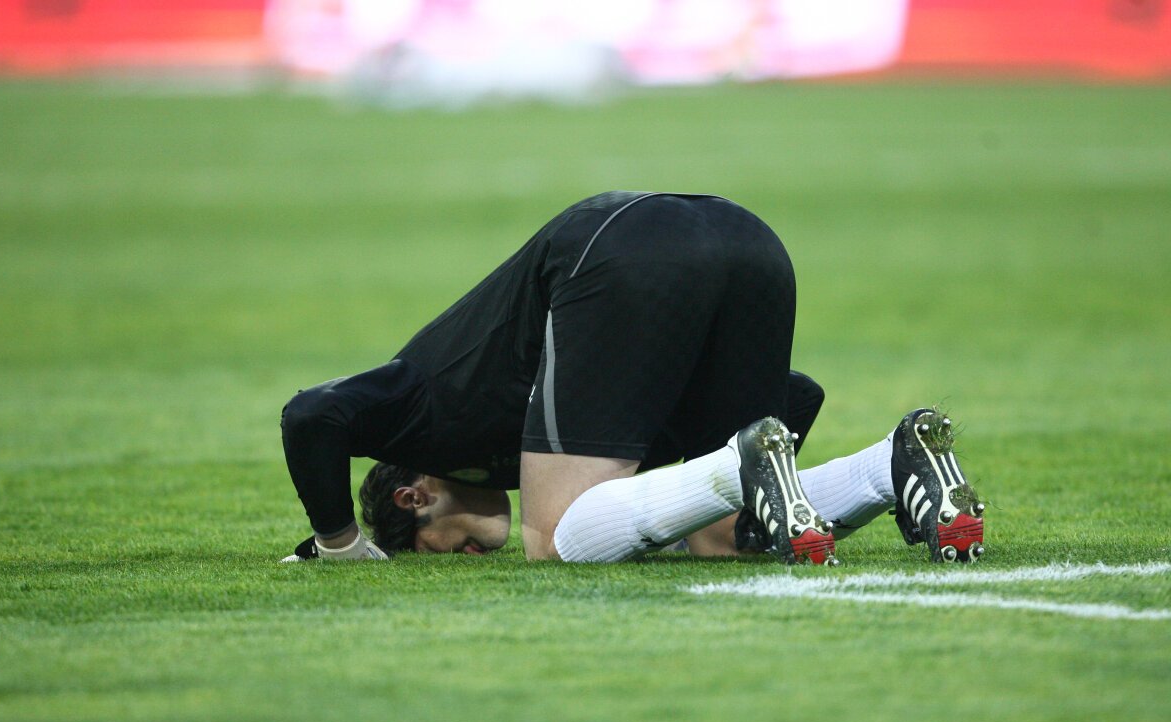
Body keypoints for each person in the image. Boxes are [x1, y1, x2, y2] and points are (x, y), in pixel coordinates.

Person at [280, 191, 985, 565]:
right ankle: (892, 464)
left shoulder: (419, 416)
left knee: (553, 539)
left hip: (618, 243)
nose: (462, 556)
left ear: (414, 496)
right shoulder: (544, 447)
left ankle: (741, 467)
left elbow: (312, 415)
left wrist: (341, 544)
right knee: (720, 535)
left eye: (434, 548)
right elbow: (798, 395)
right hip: (750, 241)